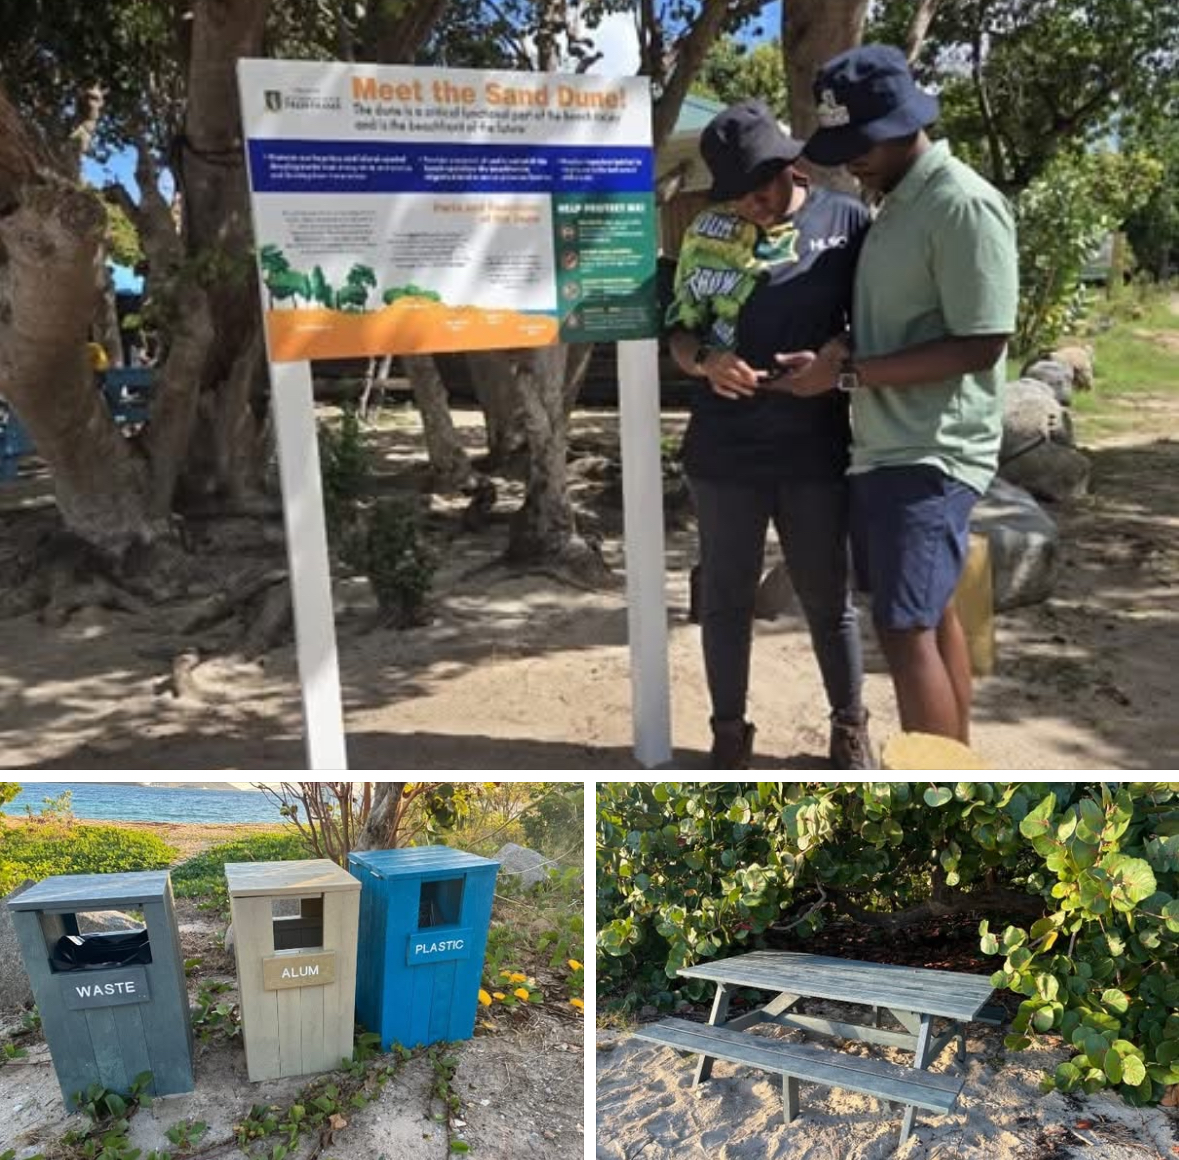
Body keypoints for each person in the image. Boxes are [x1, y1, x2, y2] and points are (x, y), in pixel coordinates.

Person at [777, 44, 1019, 746]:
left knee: (902, 626)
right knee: (930, 615)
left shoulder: (961, 205)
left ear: (901, 123)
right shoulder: (893, 205)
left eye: (859, 143)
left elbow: (981, 342)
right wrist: (839, 355)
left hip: (931, 450)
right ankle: (955, 776)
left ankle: (931, 804)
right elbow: (907, 324)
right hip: (889, 443)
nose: (849, 158)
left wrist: (847, 377)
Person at [665, 97, 874, 769]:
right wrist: (704, 361)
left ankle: (849, 728)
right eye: (734, 193)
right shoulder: (705, 230)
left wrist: (834, 359)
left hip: (813, 446)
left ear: (789, 165)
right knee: (725, 599)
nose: (748, 205)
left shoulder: (845, 221)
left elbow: (872, 319)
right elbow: (678, 328)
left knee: (826, 596)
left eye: (759, 187)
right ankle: (728, 735)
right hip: (723, 451)